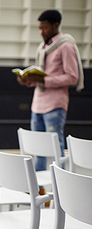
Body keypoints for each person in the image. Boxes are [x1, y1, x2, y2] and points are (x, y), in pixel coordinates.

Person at [17, 9, 84, 171]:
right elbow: (41, 75)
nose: (41, 32)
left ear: (56, 25)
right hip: (37, 104)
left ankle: (59, 187)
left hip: (55, 105)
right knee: (38, 148)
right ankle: (39, 190)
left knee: (56, 148)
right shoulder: (42, 47)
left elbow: (72, 77)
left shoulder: (65, 46)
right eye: (39, 28)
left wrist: (43, 79)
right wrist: (28, 80)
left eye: (45, 28)